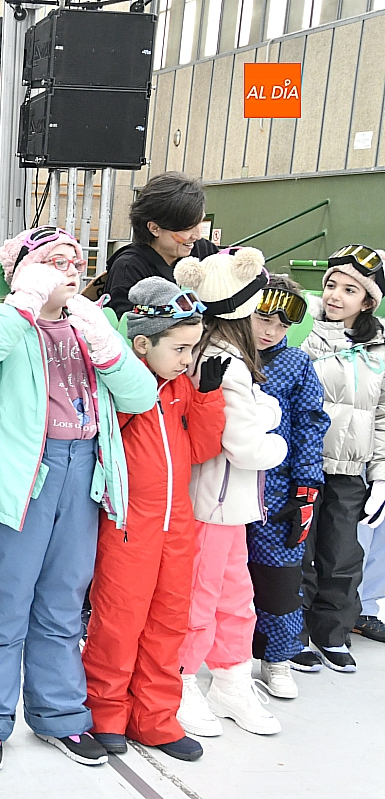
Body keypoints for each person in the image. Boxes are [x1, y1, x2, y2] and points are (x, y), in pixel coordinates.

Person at [0, 227, 157, 771]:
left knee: (63, 602)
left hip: (83, 473)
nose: (68, 270)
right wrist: (21, 307)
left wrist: (106, 345)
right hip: (22, 477)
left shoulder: (91, 325)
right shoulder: (2, 322)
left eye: (74, 262)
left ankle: (61, 714)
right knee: (4, 602)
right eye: (52, 261)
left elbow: (140, 395)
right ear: (23, 271)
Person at [82, 277, 227, 763]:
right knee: (118, 623)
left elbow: (200, 450)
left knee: (168, 622)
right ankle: (106, 713)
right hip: (129, 524)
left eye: (193, 348)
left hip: (176, 524)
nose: (188, 359)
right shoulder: (126, 387)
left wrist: (207, 397)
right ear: (143, 344)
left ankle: (156, 718)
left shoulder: (182, 388)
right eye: (180, 348)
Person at [172, 246, 287, 738]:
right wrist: (278, 440)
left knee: (235, 594)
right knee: (203, 595)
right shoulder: (227, 362)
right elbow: (245, 446)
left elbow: (254, 413)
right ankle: (181, 681)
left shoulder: (215, 353)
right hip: (213, 502)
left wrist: (264, 415)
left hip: (225, 503)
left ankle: (231, 678)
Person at [298, 245, 385, 672]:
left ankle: (331, 635)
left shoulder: (379, 347)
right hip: (304, 465)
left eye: (350, 290)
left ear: (368, 301)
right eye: (331, 285)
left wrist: (381, 475)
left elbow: (382, 416)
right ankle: (291, 635)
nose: (335, 295)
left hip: (350, 471)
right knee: (297, 554)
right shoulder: (304, 333)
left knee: (342, 557)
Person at [245, 275, 329, 700]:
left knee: (278, 578)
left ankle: (277, 658)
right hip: (220, 487)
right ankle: (220, 661)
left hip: (275, 492)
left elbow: (310, 424)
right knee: (214, 582)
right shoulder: (221, 351)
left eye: (281, 325)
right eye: (264, 319)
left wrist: (306, 488)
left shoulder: (296, 363)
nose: (271, 331)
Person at [102, 172, 220, 318]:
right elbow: (127, 325)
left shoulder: (204, 250)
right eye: (186, 228)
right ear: (154, 228)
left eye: (200, 222)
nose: (197, 235)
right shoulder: (129, 268)